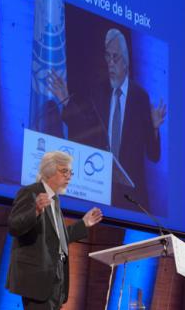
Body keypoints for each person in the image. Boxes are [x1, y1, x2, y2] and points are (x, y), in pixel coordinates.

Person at [6, 150, 103, 310]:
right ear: (50, 170)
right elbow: (15, 225)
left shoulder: (56, 201)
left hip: (55, 280)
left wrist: (83, 224)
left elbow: (57, 240)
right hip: (37, 278)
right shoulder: (31, 192)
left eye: (71, 172)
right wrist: (35, 210)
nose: (70, 176)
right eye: (65, 171)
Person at [49, 27, 166, 211]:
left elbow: (153, 154)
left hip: (132, 198)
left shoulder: (140, 97)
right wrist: (65, 100)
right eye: (107, 56)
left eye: (116, 58)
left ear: (126, 62)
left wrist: (154, 127)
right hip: (101, 192)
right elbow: (85, 128)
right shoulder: (99, 91)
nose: (110, 63)